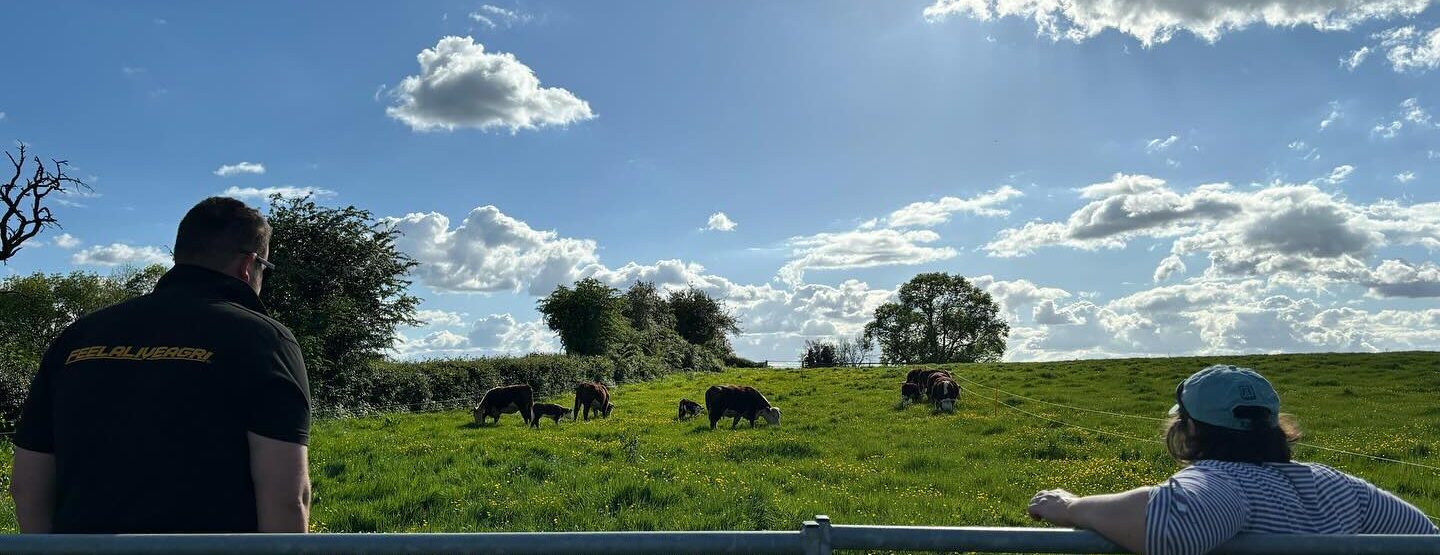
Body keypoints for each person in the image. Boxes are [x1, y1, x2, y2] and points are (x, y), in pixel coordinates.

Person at [8, 197, 311, 533]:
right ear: (248, 265)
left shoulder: (76, 338)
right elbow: (287, 498)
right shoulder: (265, 341)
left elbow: (26, 487)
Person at [1027, 364, 1437, 555]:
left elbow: (1171, 529)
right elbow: (1424, 537)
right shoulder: (1339, 485)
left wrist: (1070, 506)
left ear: (1189, 430)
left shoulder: (1221, 480)